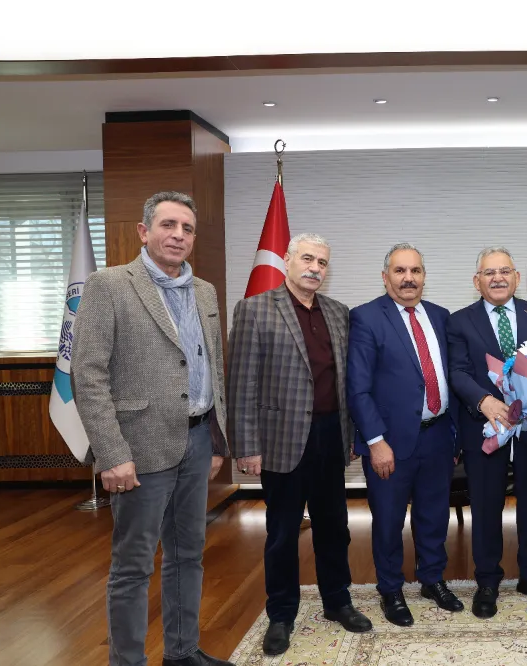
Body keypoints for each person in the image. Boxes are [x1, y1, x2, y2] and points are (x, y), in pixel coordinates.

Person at [72, 191, 233, 666]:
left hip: (197, 440)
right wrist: (112, 454)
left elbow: (212, 368)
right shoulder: (109, 285)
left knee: (188, 555)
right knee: (134, 565)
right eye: (168, 225)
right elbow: (88, 374)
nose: (178, 235)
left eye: (187, 228)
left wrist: (216, 439)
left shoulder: (204, 291)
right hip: (138, 448)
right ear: (144, 232)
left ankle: (181, 653)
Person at [227, 233, 372, 657]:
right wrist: (247, 446)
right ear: (287, 260)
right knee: (282, 532)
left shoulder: (338, 312)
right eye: (307, 259)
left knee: (335, 526)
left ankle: (337, 600)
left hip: (330, 435)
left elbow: (346, 380)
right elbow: (241, 383)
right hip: (281, 440)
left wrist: (350, 434)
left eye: (322, 262)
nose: (315, 268)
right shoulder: (255, 309)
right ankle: (281, 613)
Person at [446, 246, 527, 618]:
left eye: (504, 271)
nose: (497, 278)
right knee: (486, 506)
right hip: (485, 428)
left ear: (516, 277)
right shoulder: (459, 321)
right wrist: (484, 400)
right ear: (477, 281)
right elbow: (457, 371)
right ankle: (487, 581)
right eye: (489, 273)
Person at [346, 243, 463, 627]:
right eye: (400, 271)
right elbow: (358, 388)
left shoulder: (440, 316)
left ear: (424, 277)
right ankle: (391, 589)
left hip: (438, 435)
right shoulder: (366, 317)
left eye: (415, 271)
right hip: (390, 442)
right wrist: (375, 441)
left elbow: (452, 377)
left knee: (434, 515)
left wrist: (455, 436)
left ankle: (432, 579)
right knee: (388, 520)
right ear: (385, 277)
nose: (408, 278)